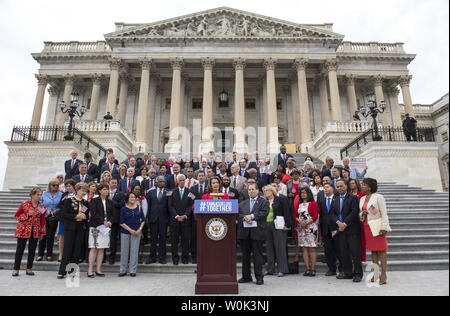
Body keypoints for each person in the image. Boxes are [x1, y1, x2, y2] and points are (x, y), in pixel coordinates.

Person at [360, 178, 391, 285]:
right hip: (367, 226)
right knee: (373, 251)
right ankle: (376, 273)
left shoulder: (378, 197)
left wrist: (384, 227)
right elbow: (362, 213)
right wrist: (362, 214)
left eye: (364, 185)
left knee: (381, 250)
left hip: (377, 226)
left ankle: (384, 274)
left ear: (370, 187)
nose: (362, 186)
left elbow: (383, 213)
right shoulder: (362, 198)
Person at [238, 183, 269, 285]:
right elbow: (239, 215)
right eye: (249, 190)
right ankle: (246, 276)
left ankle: (259, 277)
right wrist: (245, 218)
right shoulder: (243, 203)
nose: (250, 191)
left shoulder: (263, 202)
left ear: (257, 191)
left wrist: (252, 216)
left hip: (257, 233)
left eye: (252, 189)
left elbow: (264, 213)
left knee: (257, 256)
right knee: (245, 256)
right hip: (245, 233)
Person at [331, 179, 363, 282]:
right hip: (340, 230)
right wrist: (338, 223)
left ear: (346, 186)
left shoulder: (353, 198)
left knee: (355, 253)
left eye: (341, 186)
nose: (339, 188)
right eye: (338, 186)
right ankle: (348, 272)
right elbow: (332, 213)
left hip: (352, 229)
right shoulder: (335, 198)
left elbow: (354, 212)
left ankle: (358, 274)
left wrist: (344, 223)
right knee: (344, 253)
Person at [57, 182, 90, 279]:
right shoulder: (69, 201)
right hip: (70, 228)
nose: (84, 192)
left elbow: (86, 214)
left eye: (85, 190)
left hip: (80, 228)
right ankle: (62, 271)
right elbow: (63, 214)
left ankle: (72, 271)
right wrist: (75, 216)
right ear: (77, 190)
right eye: (82, 190)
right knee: (67, 249)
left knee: (77, 250)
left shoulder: (85, 203)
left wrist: (85, 216)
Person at [12, 187, 46, 277]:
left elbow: (42, 220)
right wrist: (27, 215)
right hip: (23, 230)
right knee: (20, 250)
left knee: (32, 250)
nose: (39, 196)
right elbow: (16, 216)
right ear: (32, 195)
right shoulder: (24, 204)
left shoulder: (42, 206)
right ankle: (16, 269)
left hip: (35, 231)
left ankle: (29, 268)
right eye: (37, 194)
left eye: (40, 195)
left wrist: (42, 232)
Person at [263, 185, 290, 277]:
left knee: (280, 247)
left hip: (278, 225)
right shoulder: (264, 201)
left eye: (267, 190)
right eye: (265, 191)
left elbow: (286, 211)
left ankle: (282, 269)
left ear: (272, 191)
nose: (265, 192)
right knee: (269, 247)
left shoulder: (280, 199)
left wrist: (287, 224)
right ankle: (270, 269)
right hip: (267, 225)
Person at [168, 174, 194, 265]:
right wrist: (176, 216)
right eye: (180, 180)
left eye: (183, 180)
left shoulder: (189, 192)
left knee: (185, 240)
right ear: (177, 182)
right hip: (175, 220)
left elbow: (191, 205)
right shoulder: (172, 192)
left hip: (185, 220)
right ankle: (175, 258)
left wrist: (185, 216)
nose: (182, 182)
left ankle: (185, 257)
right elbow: (170, 206)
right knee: (174, 240)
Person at [87, 184, 112, 277]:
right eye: (104, 189)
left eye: (107, 189)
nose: (106, 191)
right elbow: (93, 213)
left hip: (105, 228)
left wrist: (110, 222)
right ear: (100, 191)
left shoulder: (110, 202)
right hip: (96, 227)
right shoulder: (94, 201)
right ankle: (90, 270)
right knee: (93, 248)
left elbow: (112, 214)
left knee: (101, 248)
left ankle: (98, 269)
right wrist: (103, 222)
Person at [318, 182, 342, 276]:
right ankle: (331, 269)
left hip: (335, 228)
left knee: (338, 249)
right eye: (324, 188)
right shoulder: (321, 201)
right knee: (328, 250)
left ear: (332, 189)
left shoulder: (337, 199)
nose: (326, 189)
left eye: (328, 187)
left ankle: (341, 268)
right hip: (325, 229)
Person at [294, 186, 319, 277]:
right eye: (301, 193)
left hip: (311, 227)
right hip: (301, 228)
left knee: (312, 248)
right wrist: (299, 221)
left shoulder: (313, 203)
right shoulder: (299, 204)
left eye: (304, 192)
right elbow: (295, 215)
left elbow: (315, 216)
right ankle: (307, 268)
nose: (303, 194)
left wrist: (307, 222)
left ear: (308, 193)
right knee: (304, 248)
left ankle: (313, 268)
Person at [119, 192, 146, 277]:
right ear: (127, 198)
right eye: (131, 197)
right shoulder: (123, 209)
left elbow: (143, 220)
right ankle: (123, 270)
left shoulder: (139, 208)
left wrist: (139, 230)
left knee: (134, 251)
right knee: (124, 251)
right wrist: (131, 230)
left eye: (134, 197)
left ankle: (133, 270)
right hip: (126, 232)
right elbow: (121, 222)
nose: (132, 199)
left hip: (137, 232)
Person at [146, 176, 170, 264]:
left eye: (163, 181)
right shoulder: (150, 192)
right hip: (153, 219)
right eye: (160, 181)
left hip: (164, 219)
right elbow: (147, 206)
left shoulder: (168, 192)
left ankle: (162, 257)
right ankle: (152, 257)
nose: (162, 183)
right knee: (153, 239)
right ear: (156, 183)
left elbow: (169, 206)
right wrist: (147, 217)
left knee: (163, 239)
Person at [37, 179, 62, 262]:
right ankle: (40, 254)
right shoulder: (44, 194)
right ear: (50, 185)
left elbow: (61, 206)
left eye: (57, 185)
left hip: (53, 217)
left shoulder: (60, 194)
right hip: (44, 217)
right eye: (54, 185)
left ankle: (49, 254)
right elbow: (38, 205)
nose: (55, 187)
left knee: (51, 236)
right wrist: (45, 210)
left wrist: (56, 211)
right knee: (43, 235)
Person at [56, 179, 76, 262]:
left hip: (73, 218)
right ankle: (61, 254)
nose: (68, 188)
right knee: (62, 236)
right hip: (64, 218)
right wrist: (66, 207)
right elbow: (59, 204)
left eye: (69, 186)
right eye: (66, 186)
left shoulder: (76, 195)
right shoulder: (64, 195)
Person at [108, 178, 125, 265]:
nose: (114, 184)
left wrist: (112, 201)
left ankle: (124, 257)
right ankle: (112, 257)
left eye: (115, 183)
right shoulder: (106, 193)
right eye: (112, 183)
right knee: (112, 239)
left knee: (121, 239)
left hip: (118, 219)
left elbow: (121, 205)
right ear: (109, 183)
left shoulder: (121, 194)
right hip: (109, 220)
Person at [349, 178, 367, 263]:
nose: (351, 185)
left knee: (362, 239)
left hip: (360, 219)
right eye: (350, 183)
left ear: (357, 184)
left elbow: (368, 205)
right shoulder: (349, 194)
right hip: (351, 220)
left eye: (353, 183)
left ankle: (362, 257)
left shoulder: (362, 194)